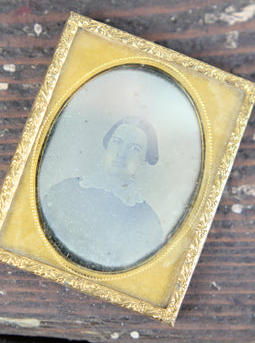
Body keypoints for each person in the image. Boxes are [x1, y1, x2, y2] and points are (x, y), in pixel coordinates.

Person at [40, 116, 163, 271]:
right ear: (107, 146)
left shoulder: (147, 220)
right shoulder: (64, 190)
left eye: (134, 149)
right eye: (117, 142)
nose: (121, 154)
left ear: (144, 161)